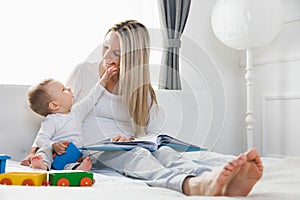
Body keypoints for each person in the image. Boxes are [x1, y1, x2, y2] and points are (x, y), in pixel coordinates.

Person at [22, 20, 263, 196]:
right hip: (91, 151)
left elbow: (151, 133)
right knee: (137, 157)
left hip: (124, 145)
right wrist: (37, 150)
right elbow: (62, 116)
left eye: (117, 53)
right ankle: (194, 185)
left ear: (134, 57)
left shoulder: (141, 90)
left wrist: (129, 137)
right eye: (105, 47)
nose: (107, 57)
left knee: (165, 153)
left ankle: (222, 173)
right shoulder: (83, 71)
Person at [26, 66, 117, 171]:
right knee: (44, 150)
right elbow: (40, 139)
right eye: (63, 89)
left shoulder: (77, 111)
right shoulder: (52, 120)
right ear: (54, 105)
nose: (69, 89)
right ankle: (43, 164)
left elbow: (91, 98)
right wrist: (53, 145)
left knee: (85, 156)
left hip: (74, 155)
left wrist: (104, 80)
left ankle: (76, 169)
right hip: (55, 155)